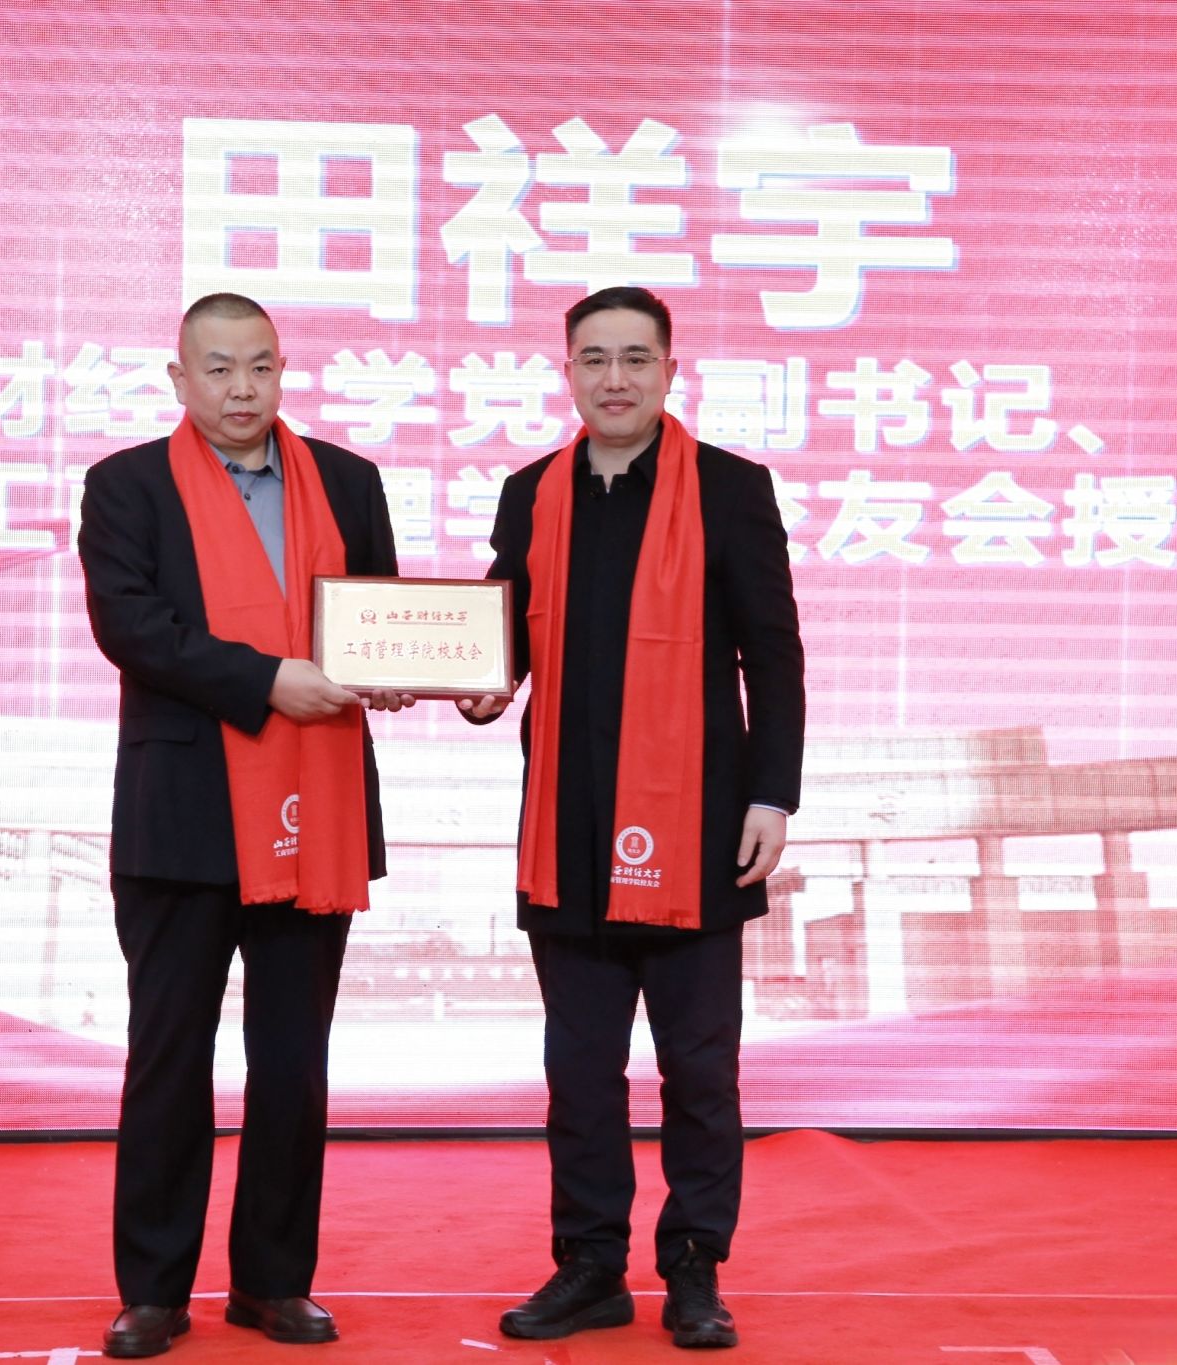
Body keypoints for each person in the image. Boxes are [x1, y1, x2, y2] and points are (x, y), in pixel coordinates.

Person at [459, 285, 806, 1349]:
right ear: (567, 371)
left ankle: (694, 1265)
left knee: (698, 1070)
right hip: (566, 828)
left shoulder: (731, 490)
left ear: (669, 370)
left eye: (635, 359)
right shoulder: (530, 493)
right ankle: (590, 1263)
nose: (614, 379)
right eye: (594, 359)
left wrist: (771, 793)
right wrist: (480, 683)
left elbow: (772, 654)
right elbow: (502, 629)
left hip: (699, 825)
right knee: (579, 1072)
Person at [78, 292, 411, 1357]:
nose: (240, 389)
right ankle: (153, 1290)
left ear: (282, 371)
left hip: (315, 808)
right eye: (217, 369)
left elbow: (378, 619)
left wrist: (398, 672)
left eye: (259, 366)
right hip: (182, 818)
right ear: (179, 378)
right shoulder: (126, 485)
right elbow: (133, 628)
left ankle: (272, 1281)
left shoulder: (348, 482)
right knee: (168, 1060)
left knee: (292, 1062)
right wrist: (269, 680)